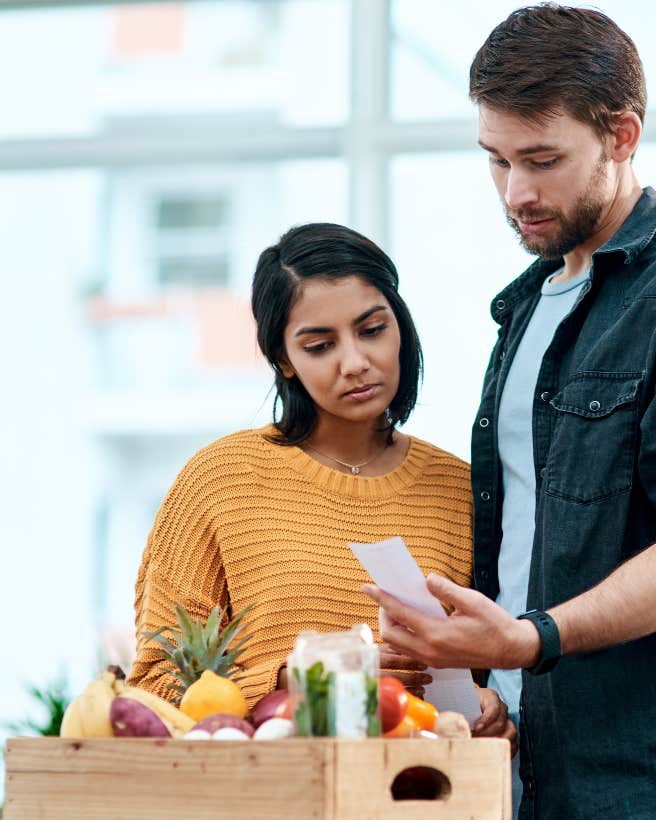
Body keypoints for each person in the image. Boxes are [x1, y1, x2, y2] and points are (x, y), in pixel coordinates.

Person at [363, 5, 656, 820]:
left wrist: (533, 638)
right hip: (549, 783)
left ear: (622, 134)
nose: (516, 193)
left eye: (542, 160)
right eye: (496, 160)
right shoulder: (528, 309)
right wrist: (492, 675)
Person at [128, 222, 514, 743]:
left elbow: (498, 662)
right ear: (283, 358)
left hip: (423, 805)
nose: (355, 363)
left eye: (372, 330)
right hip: (273, 805)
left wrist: (492, 710)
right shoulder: (219, 481)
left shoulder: (463, 491)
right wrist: (300, 681)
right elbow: (154, 687)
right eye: (319, 345)